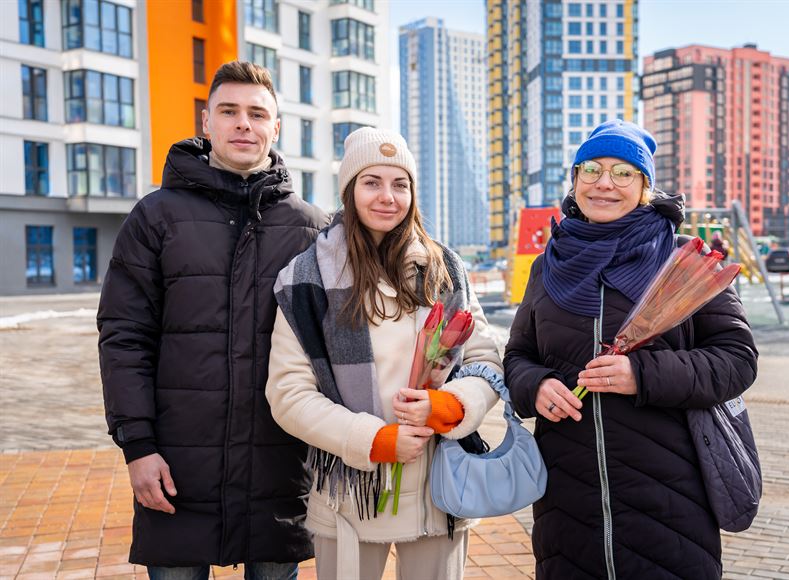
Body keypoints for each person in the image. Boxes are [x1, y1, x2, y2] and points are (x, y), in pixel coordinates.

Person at [97, 61, 328, 578]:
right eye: (229, 111)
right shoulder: (156, 217)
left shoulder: (314, 229)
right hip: (176, 470)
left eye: (256, 113)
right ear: (207, 123)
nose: (243, 124)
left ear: (276, 127)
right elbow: (124, 339)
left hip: (281, 468)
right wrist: (138, 446)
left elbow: (341, 347)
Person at [503, 119, 758, 579]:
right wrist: (536, 387)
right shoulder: (547, 267)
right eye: (591, 169)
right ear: (575, 179)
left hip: (670, 500)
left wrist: (641, 375)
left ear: (644, 186)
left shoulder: (685, 262)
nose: (604, 183)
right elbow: (518, 356)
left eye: (623, 172)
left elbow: (737, 360)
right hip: (568, 503)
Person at [265, 127, 503, 580]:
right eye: (372, 182)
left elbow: (484, 358)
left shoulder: (444, 267)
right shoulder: (307, 276)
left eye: (401, 184)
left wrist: (452, 405)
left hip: (438, 486)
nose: (387, 197)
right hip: (350, 489)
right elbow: (288, 394)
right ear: (350, 189)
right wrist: (372, 440)